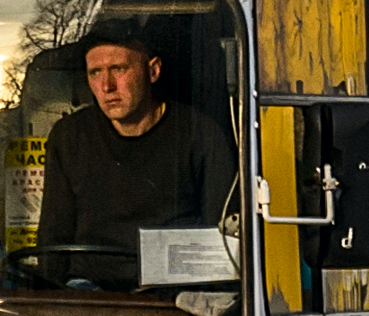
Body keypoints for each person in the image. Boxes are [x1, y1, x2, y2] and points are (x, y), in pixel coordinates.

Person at [30, 27, 241, 292]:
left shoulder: (199, 134)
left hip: (176, 292)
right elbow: (54, 235)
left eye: (118, 69)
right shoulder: (70, 136)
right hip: (89, 292)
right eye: (95, 73)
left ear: (152, 71)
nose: (107, 86)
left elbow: (224, 238)